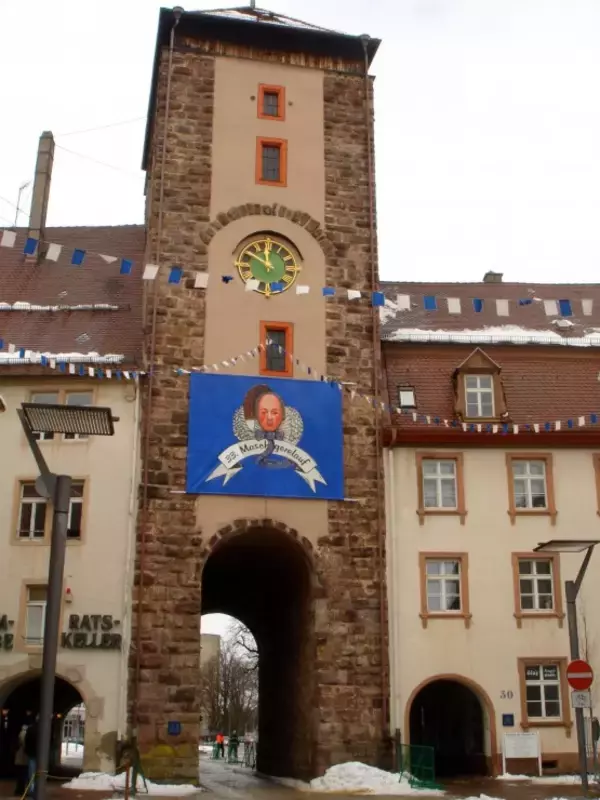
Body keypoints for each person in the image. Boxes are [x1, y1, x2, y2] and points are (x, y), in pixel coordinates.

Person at [24, 716, 38, 797]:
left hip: (32, 753)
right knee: (40, 772)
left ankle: (32, 789)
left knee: (31, 773)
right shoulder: (44, 729)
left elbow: (27, 741)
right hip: (41, 754)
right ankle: (38, 788)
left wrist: (27, 751)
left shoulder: (30, 729)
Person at [14, 725, 28, 797]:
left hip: (20, 758)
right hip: (23, 758)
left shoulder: (21, 733)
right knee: (23, 775)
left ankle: (19, 790)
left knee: (20, 775)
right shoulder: (24, 734)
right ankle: (20, 790)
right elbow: (24, 744)